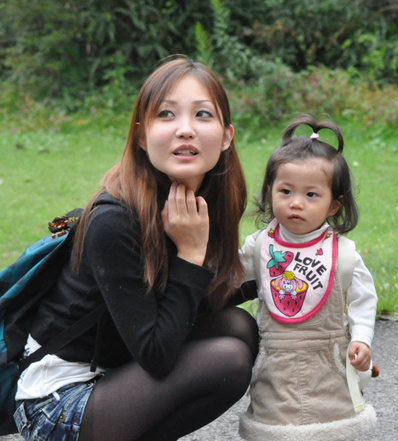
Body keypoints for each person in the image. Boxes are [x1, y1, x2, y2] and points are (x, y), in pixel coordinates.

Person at [13, 57, 258, 441]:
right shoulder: (114, 220)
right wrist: (191, 254)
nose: (185, 130)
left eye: (203, 115)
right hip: (55, 403)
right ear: (142, 136)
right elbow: (157, 355)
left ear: (227, 136)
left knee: (239, 327)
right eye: (166, 114)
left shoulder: (206, 200)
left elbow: (192, 303)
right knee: (227, 359)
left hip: (114, 371)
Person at [238, 115, 378, 440]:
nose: (296, 203)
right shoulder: (260, 245)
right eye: (285, 191)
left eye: (311, 195)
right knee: (273, 432)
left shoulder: (342, 253)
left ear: (333, 205)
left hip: (328, 367)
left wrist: (362, 339)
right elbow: (228, 275)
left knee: (332, 431)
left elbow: (363, 298)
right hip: (275, 366)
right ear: (270, 191)